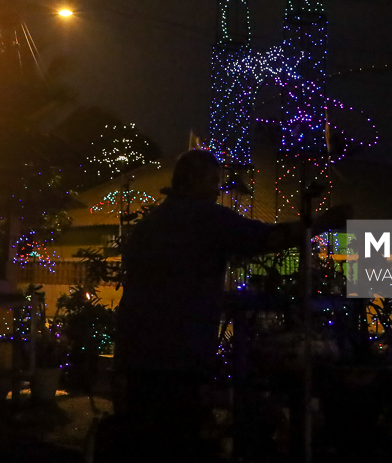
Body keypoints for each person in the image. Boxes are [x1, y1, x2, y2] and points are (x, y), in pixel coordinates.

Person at [107, 148, 351, 461]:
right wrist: (321, 223)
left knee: (145, 442)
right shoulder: (204, 217)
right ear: (196, 180)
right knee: (178, 439)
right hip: (180, 355)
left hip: (137, 352)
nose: (216, 190)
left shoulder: (150, 224)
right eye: (213, 181)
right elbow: (266, 238)